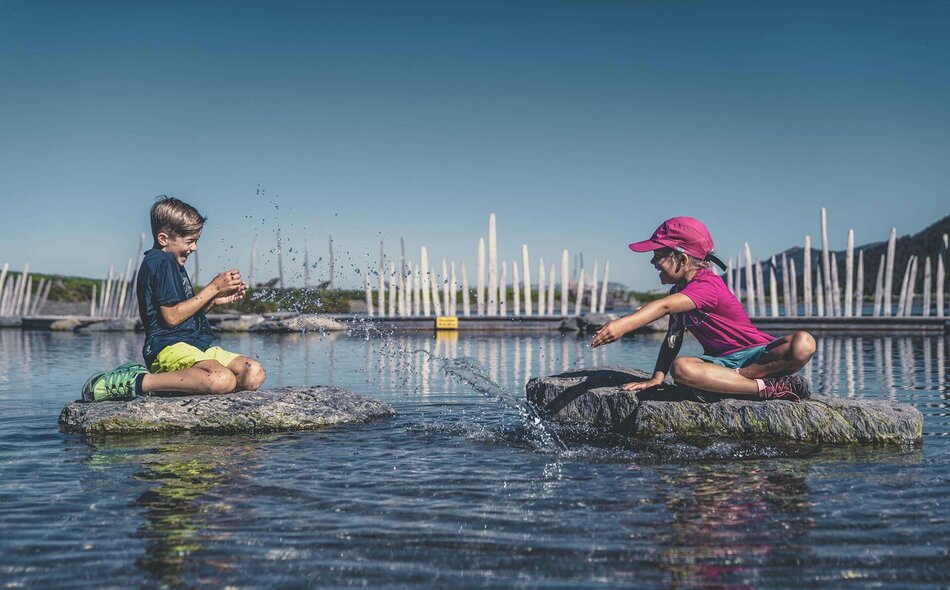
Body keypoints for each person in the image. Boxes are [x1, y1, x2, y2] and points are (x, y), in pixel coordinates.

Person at [591, 216, 815, 401]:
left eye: (657, 255)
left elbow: (664, 306)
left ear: (682, 259)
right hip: (720, 362)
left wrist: (623, 324)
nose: (652, 262)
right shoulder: (679, 291)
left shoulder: (708, 285)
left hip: (756, 355)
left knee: (804, 343)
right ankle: (763, 388)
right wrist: (657, 378)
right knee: (681, 369)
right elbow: (672, 340)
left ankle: (730, 382)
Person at [82, 196, 266, 401]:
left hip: (195, 346)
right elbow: (171, 317)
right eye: (190, 241)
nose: (194, 247)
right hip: (168, 347)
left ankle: (187, 385)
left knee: (253, 373)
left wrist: (214, 300)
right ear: (163, 239)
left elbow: (181, 315)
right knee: (221, 379)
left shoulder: (173, 263)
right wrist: (213, 287)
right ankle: (136, 381)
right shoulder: (162, 261)